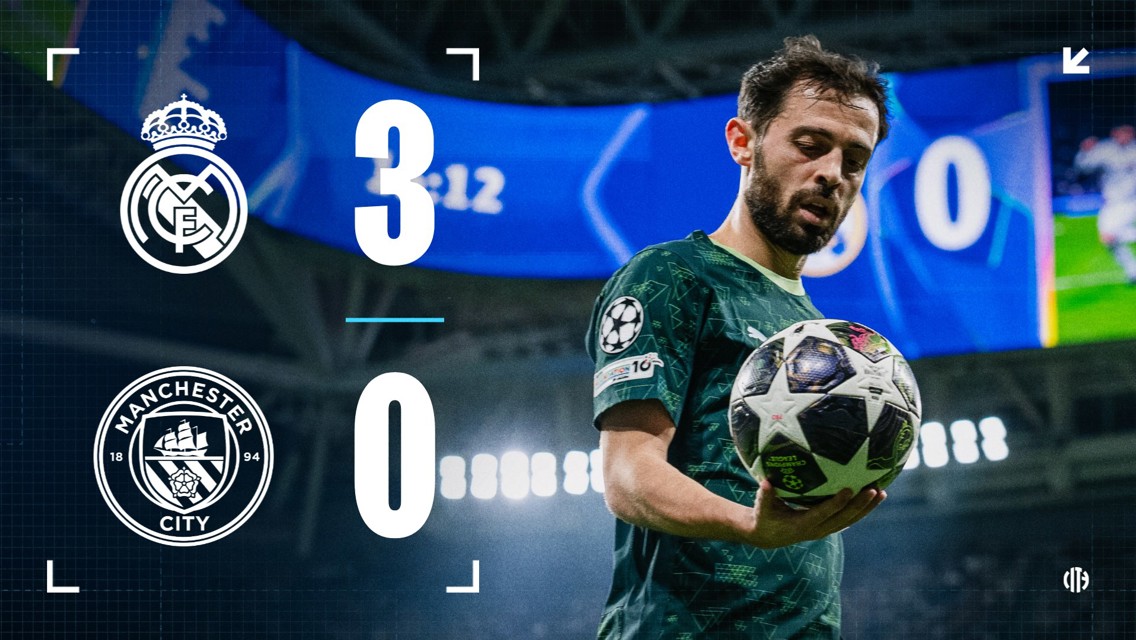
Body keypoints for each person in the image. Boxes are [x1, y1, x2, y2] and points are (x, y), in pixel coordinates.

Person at [585, 36, 891, 639]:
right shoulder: (673, 276)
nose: (832, 174)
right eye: (810, 145)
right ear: (742, 142)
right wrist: (750, 526)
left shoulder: (821, 339)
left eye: (854, 160)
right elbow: (626, 475)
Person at [1074, 124, 1136, 283]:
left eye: (1129, 132)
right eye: (1123, 132)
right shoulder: (1104, 149)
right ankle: (1133, 271)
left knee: (1109, 236)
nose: (1126, 135)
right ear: (1114, 133)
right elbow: (1083, 167)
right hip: (1111, 203)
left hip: (1131, 201)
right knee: (1107, 239)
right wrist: (1084, 151)